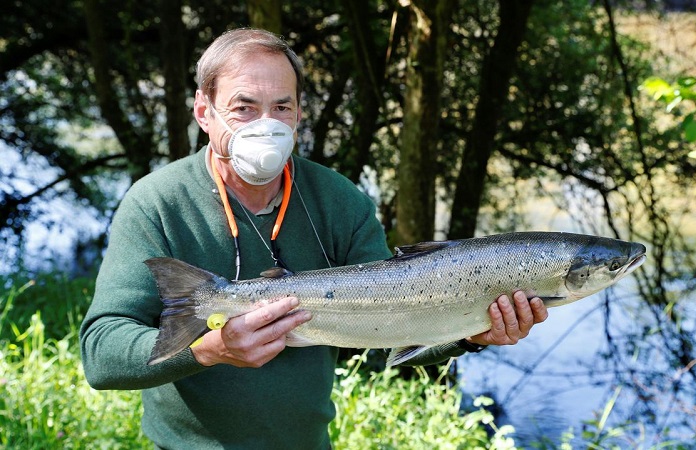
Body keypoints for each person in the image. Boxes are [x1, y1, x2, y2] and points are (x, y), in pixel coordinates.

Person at [79, 28, 548, 449]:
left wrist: (472, 333)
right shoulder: (156, 202)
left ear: (299, 112)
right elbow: (102, 354)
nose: (267, 123)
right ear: (204, 111)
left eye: (281, 107)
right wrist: (209, 350)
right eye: (244, 108)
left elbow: (388, 336)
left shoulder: (341, 201)